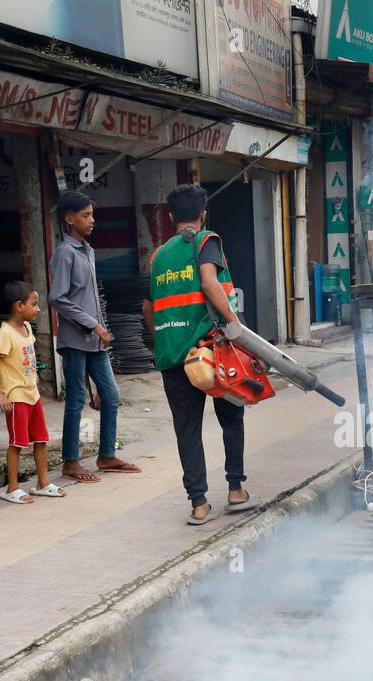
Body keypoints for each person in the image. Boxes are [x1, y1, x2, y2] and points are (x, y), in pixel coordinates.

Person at [142, 183, 255, 525]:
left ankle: (199, 504)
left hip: (174, 357)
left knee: (187, 430)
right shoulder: (207, 241)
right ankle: (235, 491)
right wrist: (236, 326)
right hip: (214, 350)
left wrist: (164, 337)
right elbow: (208, 283)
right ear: (204, 214)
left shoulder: (157, 256)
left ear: (171, 216)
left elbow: (148, 307)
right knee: (231, 419)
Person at [48, 189, 142, 483]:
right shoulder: (65, 253)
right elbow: (58, 297)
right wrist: (93, 324)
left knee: (111, 396)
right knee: (76, 398)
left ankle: (106, 456)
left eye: (92, 215)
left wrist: (101, 328)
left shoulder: (86, 249)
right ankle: (70, 462)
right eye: (86, 215)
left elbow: (87, 296)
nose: (92, 221)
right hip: (76, 339)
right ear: (69, 219)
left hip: (95, 340)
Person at [0, 281, 65, 504]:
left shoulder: (27, 329)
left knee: (41, 439)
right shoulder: (5, 333)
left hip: (33, 394)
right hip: (16, 397)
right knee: (18, 443)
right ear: (19, 306)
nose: (38, 309)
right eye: (34, 304)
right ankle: (12, 488)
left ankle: (43, 482)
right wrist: (0, 395)